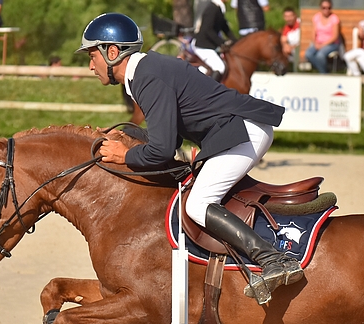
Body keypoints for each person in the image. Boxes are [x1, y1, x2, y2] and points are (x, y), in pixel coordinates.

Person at [76, 13, 302, 304]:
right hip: (235, 130)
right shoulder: (143, 73)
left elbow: (162, 149)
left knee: (198, 204)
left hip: (243, 130)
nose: (90, 65)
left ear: (112, 51)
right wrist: (126, 136)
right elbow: (172, 138)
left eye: (91, 55)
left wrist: (126, 155)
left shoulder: (147, 75)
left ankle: (274, 260)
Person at [191, 0, 236, 81]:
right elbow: (208, 30)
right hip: (203, 46)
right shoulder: (212, 8)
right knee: (220, 67)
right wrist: (222, 42)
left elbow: (224, 26)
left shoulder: (218, 7)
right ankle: (211, 92)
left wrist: (235, 40)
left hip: (210, 45)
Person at [303, 0, 341, 74]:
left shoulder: (334, 18)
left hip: (331, 44)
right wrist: (316, 43)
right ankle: (324, 70)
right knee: (308, 54)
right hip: (318, 43)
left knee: (320, 55)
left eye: (328, 8)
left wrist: (323, 45)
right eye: (324, 8)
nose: (326, 10)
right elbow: (313, 33)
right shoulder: (316, 17)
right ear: (320, 8)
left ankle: (324, 74)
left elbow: (335, 36)